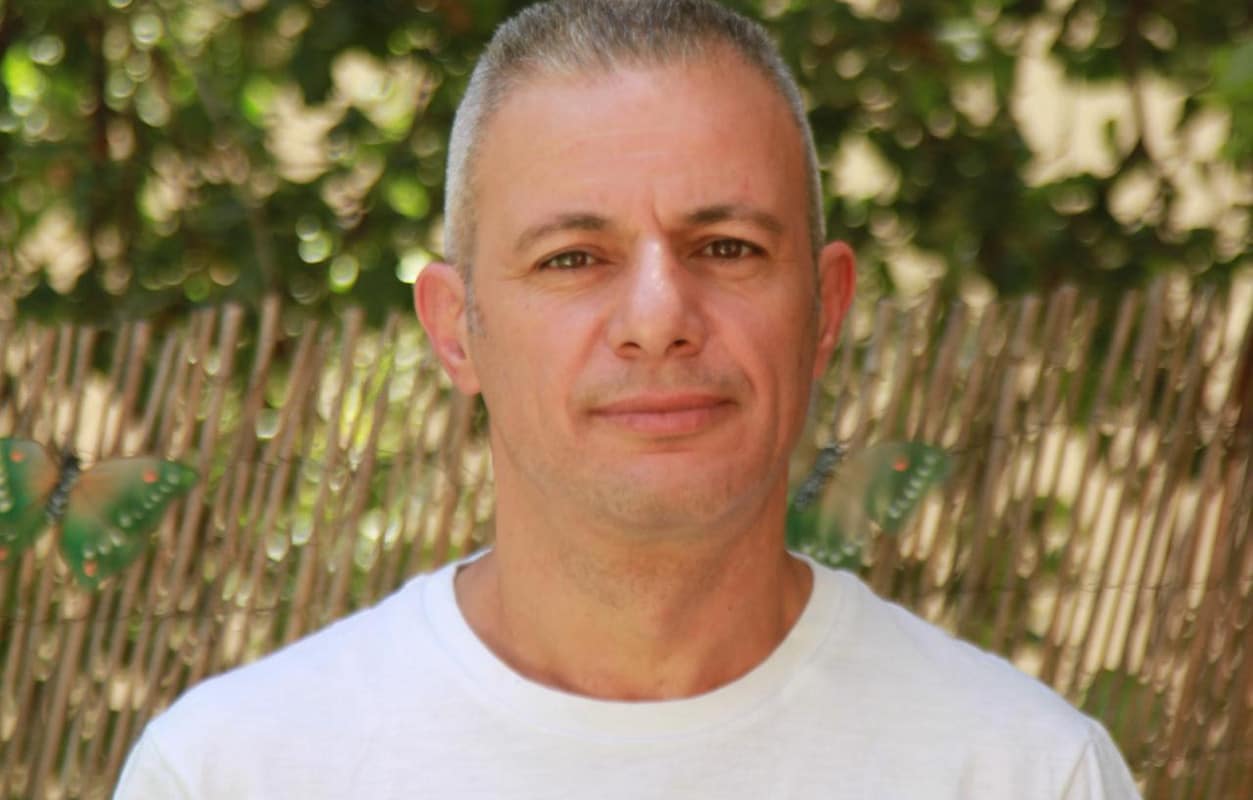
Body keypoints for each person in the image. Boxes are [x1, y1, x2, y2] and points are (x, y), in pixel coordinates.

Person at [115, 1, 1141, 797]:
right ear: (454, 329)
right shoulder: (234, 771)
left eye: (726, 248)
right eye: (572, 258)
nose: (658, 318)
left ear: (823, 308)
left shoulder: (1021, 771)